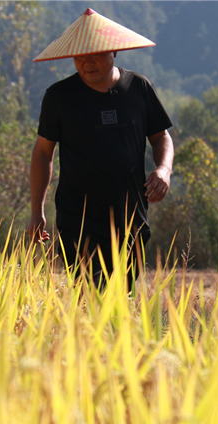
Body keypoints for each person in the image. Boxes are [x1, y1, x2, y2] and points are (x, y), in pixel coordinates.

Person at [27, 8, 174, 289]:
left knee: (121, 295)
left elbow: (161, 137)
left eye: (95, 53)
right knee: (89, 293)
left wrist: (164, 169)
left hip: (131, 214)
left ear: (114, 52)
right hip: (78, 217)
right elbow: (43, 153)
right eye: (80, 56)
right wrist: (37, 211)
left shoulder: (139, 88)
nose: (87, 62)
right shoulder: (59, 97)